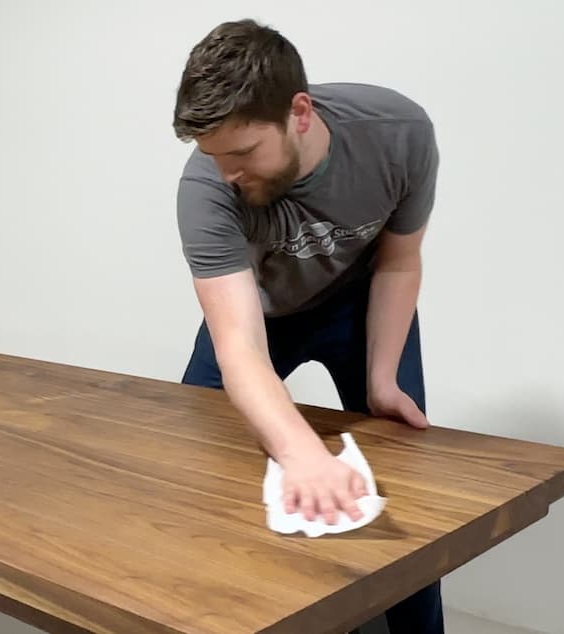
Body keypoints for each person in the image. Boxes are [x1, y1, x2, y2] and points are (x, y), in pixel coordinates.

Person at [172, 18, 444, 633]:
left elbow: (400, 262)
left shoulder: (398, 135)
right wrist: (301, 451)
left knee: (408, 487)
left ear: (299, 111)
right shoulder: (204, 191)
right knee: (195, 463)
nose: (227, 175)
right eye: (213, 157)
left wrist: (380, 379)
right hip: (260, 315)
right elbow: (239, 346)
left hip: (360, 303)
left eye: (242, 154)